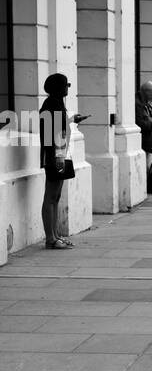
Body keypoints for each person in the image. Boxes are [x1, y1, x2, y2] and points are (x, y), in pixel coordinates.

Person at [39, 73, 88, 249]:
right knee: (50, 196)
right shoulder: (52, 104)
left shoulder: (56, 103)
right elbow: (51, 133)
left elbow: (58, 127)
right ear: (58, 87)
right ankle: (50, 238)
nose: (68, 87)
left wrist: (72, 120)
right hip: (54, 155)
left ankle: (55, 234)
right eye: (66, 84)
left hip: (57, 153)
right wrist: (58, 156)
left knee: (56, 196)